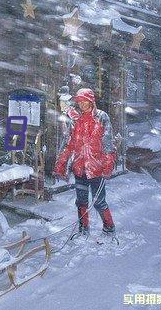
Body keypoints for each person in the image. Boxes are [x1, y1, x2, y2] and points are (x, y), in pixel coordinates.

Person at [53, 88, 117, 238]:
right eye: (79, 102)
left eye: (84, 101)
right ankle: (83, 229)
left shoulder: (102, 117)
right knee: (81, 202)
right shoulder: (75, 120)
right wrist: (61, 164)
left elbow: (108, 142)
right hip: (79, 168)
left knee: (99, 202)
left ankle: (109, 228)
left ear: (91, 101)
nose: (82, 104)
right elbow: (68, 143)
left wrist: (108, 164)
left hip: (97, 169)